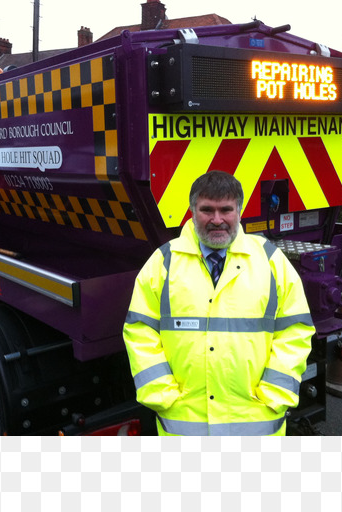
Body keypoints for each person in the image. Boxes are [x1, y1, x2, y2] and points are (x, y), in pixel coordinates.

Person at [123, 170, 315, 436]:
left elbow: (295, 330)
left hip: (256, 422)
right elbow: (140, 330)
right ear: (192, 211)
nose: (217, 220)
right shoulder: (164, 262)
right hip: (183, 423)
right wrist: (161, 394)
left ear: (239, 210)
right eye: (207, 210)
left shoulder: (271, 261)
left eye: (226, 209)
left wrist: (275, 393)